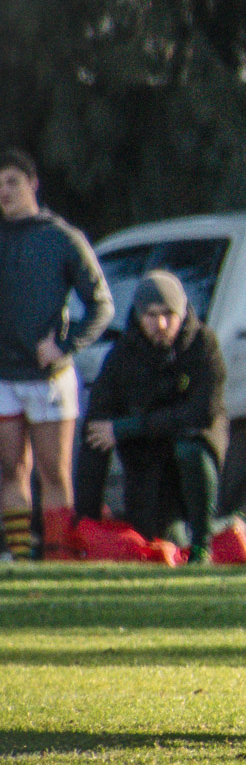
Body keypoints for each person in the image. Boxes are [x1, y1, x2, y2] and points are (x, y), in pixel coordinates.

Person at [73, 271, 246, 563]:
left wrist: (126, 428)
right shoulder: (121, 356)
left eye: (168, 315)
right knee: (164, 541)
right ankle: (238, 524)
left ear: (182, 313)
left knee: (190, 448)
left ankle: (203, 546)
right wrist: (87, 525)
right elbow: (96, 430)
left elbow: (201, 413)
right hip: (148, 467)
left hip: (192, 460)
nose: (160, 324)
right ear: (137, 315)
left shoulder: (203, 345)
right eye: (150, 315)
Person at [0, 148, 113, 560]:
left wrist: (64, 347)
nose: (4, 192)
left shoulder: (61, 237)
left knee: (54, 472)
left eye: (11, 181)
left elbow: (102, 305)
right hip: (3, 376)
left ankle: (59, 557)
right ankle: (20, 557)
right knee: (10, 471)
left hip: (47, 378)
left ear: (32, 184)